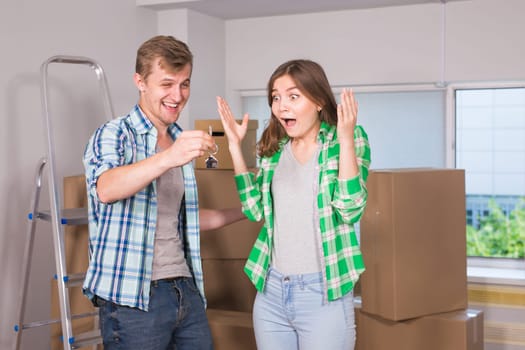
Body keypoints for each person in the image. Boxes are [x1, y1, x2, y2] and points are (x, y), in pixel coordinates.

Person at [83, 35, 245, 350]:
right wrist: (169, 157)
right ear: (140, 81)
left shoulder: (178, 139)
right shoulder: (115, 134)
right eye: (167, 84)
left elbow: (183, 219)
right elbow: (106, 188)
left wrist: (248, 211)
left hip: (184, 287)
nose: (177, 95)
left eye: (185, 84)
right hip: (132, 298)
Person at [216, 59, 371, 350]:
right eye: (275, 97)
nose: (281, 105)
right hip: (272, 292)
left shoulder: (348, 141)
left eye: (293, 96)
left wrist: (346, 139)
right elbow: (254, 209)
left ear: (319, 101)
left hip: (324, 292)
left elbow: (350, 209)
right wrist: (235, 147)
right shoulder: (273, 150)